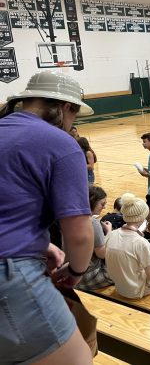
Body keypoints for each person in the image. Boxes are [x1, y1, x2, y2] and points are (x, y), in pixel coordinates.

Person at [0, 70, 95, 364]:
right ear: (66, 107)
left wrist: (42, 245)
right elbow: (79, 233)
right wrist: (76, 271)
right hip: (9, 276)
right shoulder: (60, 143)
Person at [105, 194, 150, 298]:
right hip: (136, 290)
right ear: (142, 217)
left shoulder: (111, 234)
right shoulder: (140, 243)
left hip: (120, 287)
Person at [77, 186, 113, 290]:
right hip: (89, 275)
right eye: (102, 204)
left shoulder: (72, 216)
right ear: (92, 202)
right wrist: (109, 232)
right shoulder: (93, 223)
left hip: (71, 271)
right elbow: (101, 254)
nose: (104, 207)